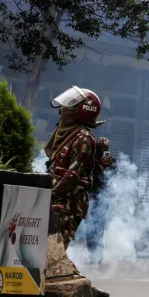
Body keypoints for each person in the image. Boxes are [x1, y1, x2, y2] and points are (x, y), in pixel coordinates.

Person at [44, 85, 109, 249]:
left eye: (68, 107)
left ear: (80, 111)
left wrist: (51, 195)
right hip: (55, 200)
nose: (63, 111)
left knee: (53, 248)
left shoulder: (84, 138)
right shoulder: (66, 134)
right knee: (46, 249)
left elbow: (74, 173)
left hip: (68, 204)